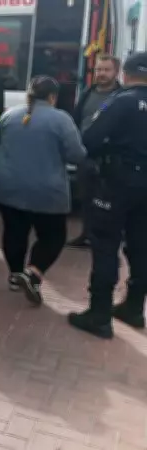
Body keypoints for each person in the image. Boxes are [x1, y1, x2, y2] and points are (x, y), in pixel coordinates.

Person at [0, 76, 86, 305]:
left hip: (7, 186)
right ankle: (34, 272)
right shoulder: (61, 119)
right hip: (46, 191)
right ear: (52, 97)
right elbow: (76, 155)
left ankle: (15, 275)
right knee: (53, 235)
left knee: (14, 231)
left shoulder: (9, 115)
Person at [67, 52, 147, 339]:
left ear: (125, 73)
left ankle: (99, 314)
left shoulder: (121, 101)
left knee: (104, 244)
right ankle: (134, 307)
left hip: (117, 183)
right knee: (141, 245)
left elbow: (89, 139)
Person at [66, 54, 122, 249]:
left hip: (111, 157)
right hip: (86, 155)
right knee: (86, 197)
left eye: (106, 70)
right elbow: (76, 119)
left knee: (110, 199)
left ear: (116, 72)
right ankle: (86, 234)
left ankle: (108, 237)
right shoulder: (87, 93)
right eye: (98, 69)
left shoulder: (122, 96)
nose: (101, 73)